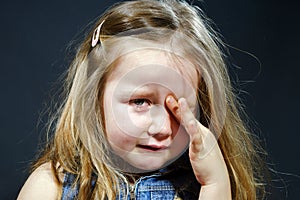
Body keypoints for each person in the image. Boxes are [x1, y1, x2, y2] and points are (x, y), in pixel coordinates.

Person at [17, 0, 267, 199]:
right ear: (94, 99)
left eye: (178, 108)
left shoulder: (197, 189)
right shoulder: (51, 186)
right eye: (140, 102)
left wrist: (215, 185)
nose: (162, 128)